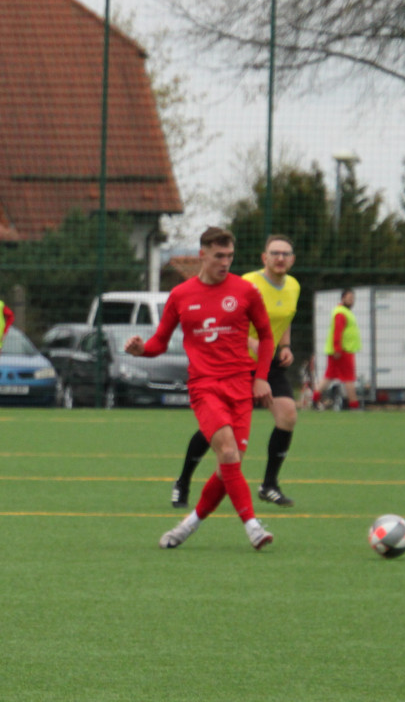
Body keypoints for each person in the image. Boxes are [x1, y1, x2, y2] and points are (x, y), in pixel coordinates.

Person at [124, 226, 275, 551]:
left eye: (230, 256)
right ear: (201, 255)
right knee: (229, 453)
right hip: (205, 387)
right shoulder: (180, 295)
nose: (225, 262)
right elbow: (159, 343)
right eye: (219, 256)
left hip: (241, 386)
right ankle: (252, 526)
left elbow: (266, 336)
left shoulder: (246, 291)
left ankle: (188, 525)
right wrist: (141, 349)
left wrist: (261, 377)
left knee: (228, 467)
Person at [170, 234, 301, 509]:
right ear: (264, 258)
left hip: (266, 365)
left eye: (285, 254)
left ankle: (269, 485)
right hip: (234, 364)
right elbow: (220, 322)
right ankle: (183, 482)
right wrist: (248, 341)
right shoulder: (248, 284)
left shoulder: (293, 286)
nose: (280, 258)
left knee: (288, 415)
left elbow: (286, 317)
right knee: (215, 430)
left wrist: (285, 345)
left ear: (292, 259)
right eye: (275, 253)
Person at [317, 288, 361, 410]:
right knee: (349, 378)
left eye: (353, 298)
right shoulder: (341, 313)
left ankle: (314, 399)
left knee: (329, 376)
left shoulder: (343, 312)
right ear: (343, 299)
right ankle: (354, 405)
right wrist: (337, 348)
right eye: (349, 298)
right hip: (342, 351)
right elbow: (338, 331)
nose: (352, 300)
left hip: (339, 351)